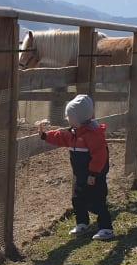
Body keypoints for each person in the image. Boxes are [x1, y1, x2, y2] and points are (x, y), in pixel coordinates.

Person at [37, 94, 116, 241]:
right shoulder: (73, 133)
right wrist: (45, 136)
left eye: (69, 116)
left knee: (98, 201)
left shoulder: (92, 135)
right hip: (81, 176)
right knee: (77, 199)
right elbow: (60, 137)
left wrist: (93, 173)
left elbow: (100, 156)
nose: (67, 118)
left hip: (94, 176)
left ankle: (106, 228)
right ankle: (82, 223)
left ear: (77, 118)